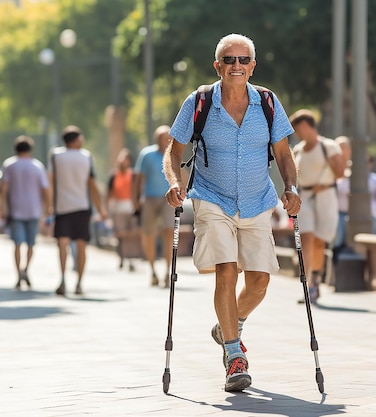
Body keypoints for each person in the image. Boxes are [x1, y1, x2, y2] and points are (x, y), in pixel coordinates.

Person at [164, 33, 301, 392]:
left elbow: (284, 155)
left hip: (257, 201)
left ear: (252, 66)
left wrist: (292, 188)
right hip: (212, 198)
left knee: (259, 281)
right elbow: (174, 151)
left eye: (243, 60)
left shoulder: (268, 102)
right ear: (218, 66)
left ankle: (230, 324)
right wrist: (174, 181)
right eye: (229, 60)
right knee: (226, 271)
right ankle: (233, 355)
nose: (236, 66)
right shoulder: (199, 102)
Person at [290, 110, 345, 302]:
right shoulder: (297, 150)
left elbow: (340, 172)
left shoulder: (328, 146)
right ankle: (306, 282)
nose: (296, 134)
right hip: (305, 196)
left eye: (297, 129)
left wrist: (335, 162)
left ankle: (316, 281)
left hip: (325, 195)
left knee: (320, 241)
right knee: (306, 237)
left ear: (305, 126)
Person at [48, 125, 106, 296]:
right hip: (82, 207)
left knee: (62, 245)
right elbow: (92, 185)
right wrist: (100, 207)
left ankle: (63, 279)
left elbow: (50, 182)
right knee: (81, 245)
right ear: (77, 139)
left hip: (62, 206)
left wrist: (50, 206)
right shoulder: (86, 156)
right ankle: (79, 283)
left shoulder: (55, 156)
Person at [0, 135, 50, 290]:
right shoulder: (37, 166)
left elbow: (3, 189)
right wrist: (48, 208)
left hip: (15, 209)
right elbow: (45, 189)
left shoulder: (9, 165)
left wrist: (2, 207)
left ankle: (18, 274)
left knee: (17, 244)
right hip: (34, 210)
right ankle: (26, 269)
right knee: (31, 244)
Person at [133, 125, 174, 287]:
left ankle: (167, 270)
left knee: (169, 233)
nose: (166, 141)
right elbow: (138, 179)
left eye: (168, 138)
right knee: (148, 234)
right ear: (157, 139)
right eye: (163, 138)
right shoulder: (146, 154)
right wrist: (135, 199)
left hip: (169, 199)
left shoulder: (173, 154)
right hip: (149, 198)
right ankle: (152, 270)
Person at [333, 138, 376, 254]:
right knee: (340, 243)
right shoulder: (343, 177)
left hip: (370, 216)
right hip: (342, 215)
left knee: (369, 245)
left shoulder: (374, 179)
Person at [106, 148, 137, 272]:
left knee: (131, 234)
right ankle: (122, 258)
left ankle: (131, 259)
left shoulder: (133, 175)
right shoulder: (114, 175)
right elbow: (109, 194)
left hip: (130, 207)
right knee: (120, 236)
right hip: (118, 208)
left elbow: (136, 191)